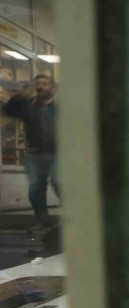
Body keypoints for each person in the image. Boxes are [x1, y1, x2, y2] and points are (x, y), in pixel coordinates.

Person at [2, 74, 59, 226]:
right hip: (34, 154)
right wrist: (17, 97)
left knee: (59, 181)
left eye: (44, 84)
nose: (41, 87)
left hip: (58, 154)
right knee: (35, 188)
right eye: (38, 84)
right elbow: (8, 111)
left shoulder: (59, 108)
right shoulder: (29, 106)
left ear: (51, 87)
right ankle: (42, 220)